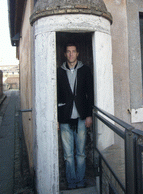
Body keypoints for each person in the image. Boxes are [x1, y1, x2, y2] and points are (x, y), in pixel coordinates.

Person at [57, 42, 94, 189]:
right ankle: (72, 183)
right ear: (65, 54)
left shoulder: (85, 70)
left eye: (73, 51)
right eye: (68, 52)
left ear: (77, 54)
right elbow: (57, 95)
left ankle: (80, 181)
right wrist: (57, 119)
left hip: (81, 118)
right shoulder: (59, 72)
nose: (71, 54)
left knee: (81, 154)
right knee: (68, 156)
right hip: (65, 119)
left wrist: (89, 115)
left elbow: (90, 93)